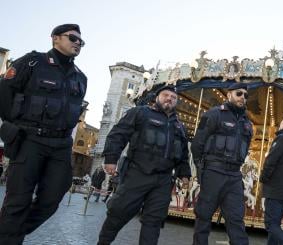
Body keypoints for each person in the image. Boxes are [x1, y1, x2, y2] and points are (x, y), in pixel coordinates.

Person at [0, 24, 87, 244]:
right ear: (55, 38)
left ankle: (10, 233)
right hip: (30, 139)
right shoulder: (33, 62)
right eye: (73, 38)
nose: (78, 44)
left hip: (61, 145)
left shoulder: (80, 78)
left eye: (81, 42)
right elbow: (4, 90)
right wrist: (9, 125)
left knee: (52, 199)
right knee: (18, 201)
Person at [97, 85, 191, 245]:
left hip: (163, 179)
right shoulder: (140, 113)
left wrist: (184, 174)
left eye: (173, 97)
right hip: (137, 173)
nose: (169, 98)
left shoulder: (179, 126)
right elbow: (118, 134)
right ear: (157, 97)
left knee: (154, 221)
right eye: (166, 95)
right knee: (118, 213)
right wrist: (111, 157)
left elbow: (182, 154)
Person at [191, 83, 253, 245]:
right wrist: (201, 169)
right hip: (213, 171)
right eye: (239, 94)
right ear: (229, 95)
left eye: (246, 96)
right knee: (204, 217)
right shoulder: (214, 114)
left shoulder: (247, 123)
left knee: (236, 219)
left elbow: (245, 149)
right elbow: (197, 144)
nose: (243, 98)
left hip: (234, 176)